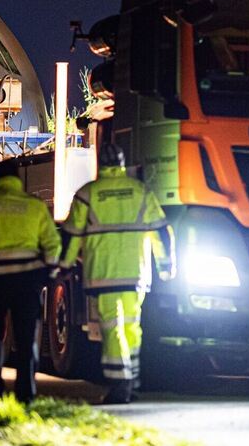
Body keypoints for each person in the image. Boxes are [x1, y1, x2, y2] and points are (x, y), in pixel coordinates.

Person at [59, 143, 175, 404]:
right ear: (123, 165)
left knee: (113, 330)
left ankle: (120, 384)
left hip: (104, 273)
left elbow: (71, 236)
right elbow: (162, 232)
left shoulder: (88, 194)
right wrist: (166, 266)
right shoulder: (140, 192)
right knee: (132, 328)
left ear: (101, 165)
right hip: (137, 275)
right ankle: (132, 379)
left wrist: (63, 266)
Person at [0, 158, 61, 403]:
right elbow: (52, 244)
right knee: (26, 337)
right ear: (18, 178)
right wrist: (48, 274)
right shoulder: (35, 206)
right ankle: (26, 392)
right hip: (27, 282)